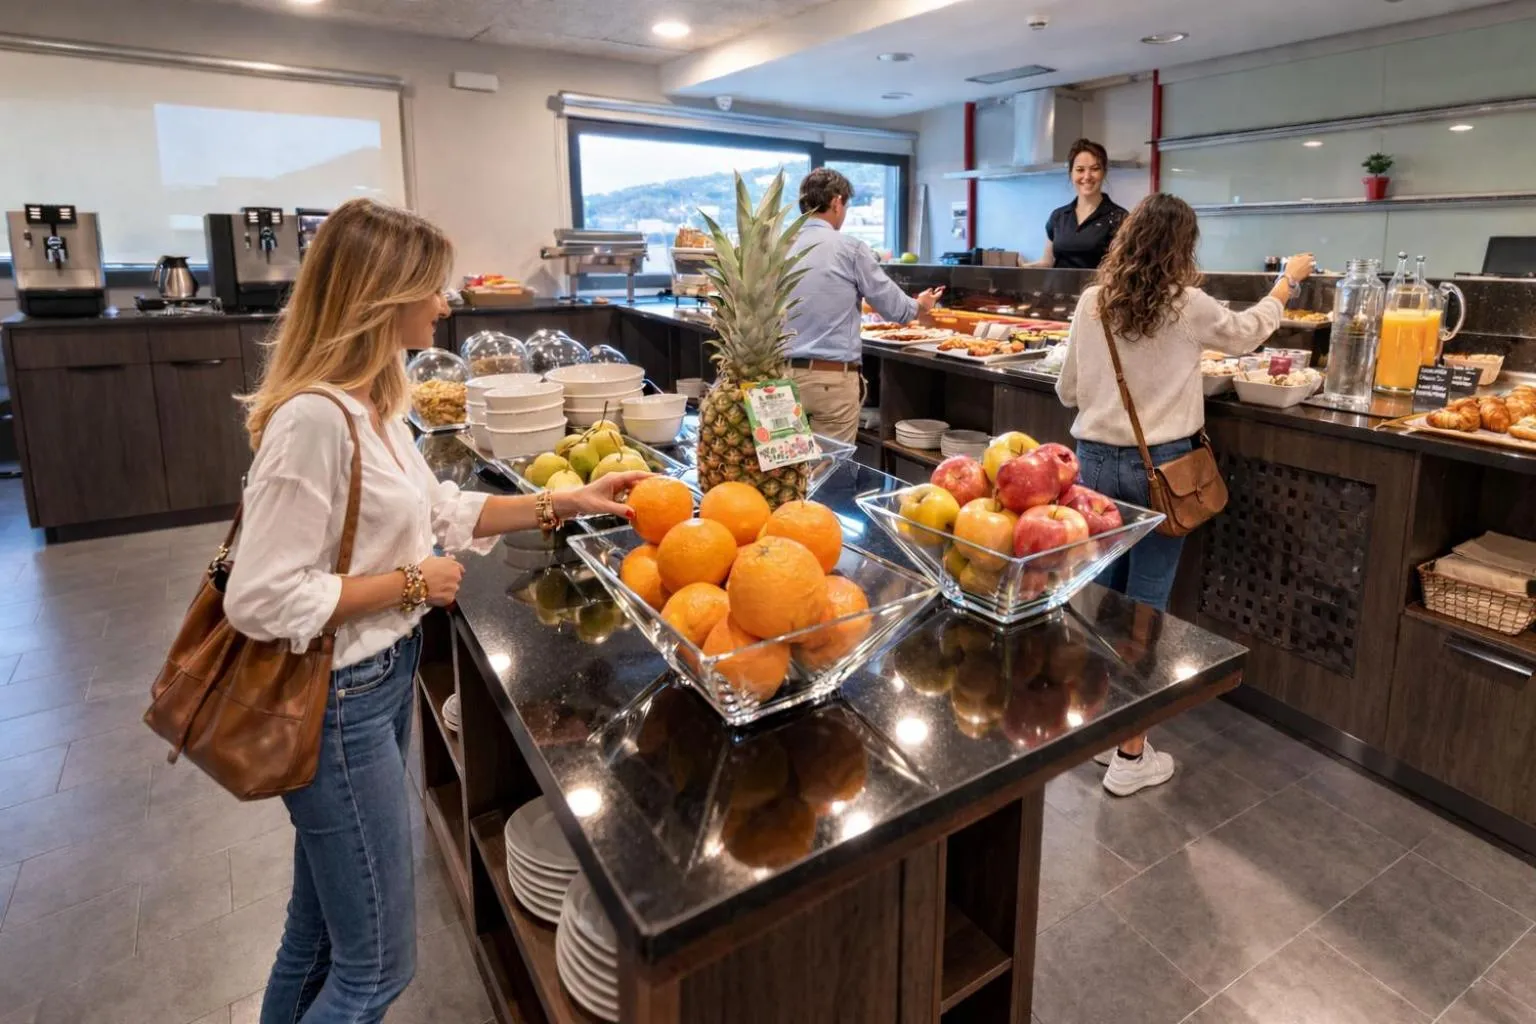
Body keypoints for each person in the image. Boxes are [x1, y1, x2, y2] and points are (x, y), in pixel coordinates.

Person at [226, 198, 646, 1024]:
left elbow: (442, 512)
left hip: (373, 686)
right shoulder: (313, 420)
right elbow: (261, 596)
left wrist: (569, 500)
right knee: (376, 969)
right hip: (337, 704)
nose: (447, 304)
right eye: (432, 288)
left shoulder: (368, 405)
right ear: (380, 296)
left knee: (315, 937)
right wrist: (416, 586)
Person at [1054, 193, 1314, 796]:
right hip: (1164, 471)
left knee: (1099, 596)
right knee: (1147, 604)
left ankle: (1097, 725)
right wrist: (1285, 285)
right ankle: (1130, 751)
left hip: (1093, 465)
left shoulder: (1093, 301)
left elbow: (1069, 390)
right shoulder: (1187, 304)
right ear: (1184, 247)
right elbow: (1247, 335)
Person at [785, 168, 944, 442]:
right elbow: (895, 309)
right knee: (828, 471)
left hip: (778, 380)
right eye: (845, 205)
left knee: (783, 473)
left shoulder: (778, 248)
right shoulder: (849, 248)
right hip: (830, 381)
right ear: (836, 202)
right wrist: (921, 304)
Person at [1033, 138, 1129, 270]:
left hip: (1096, 290)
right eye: (1080, 170)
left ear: (1104, 172)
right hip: (1058, 290)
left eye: (1095, 169)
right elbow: (1047, 262)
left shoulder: (1120, 217)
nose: (1087, 176)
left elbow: (1120, 269)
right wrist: (1019, 266)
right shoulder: (1058, 216)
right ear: (1071, 173)